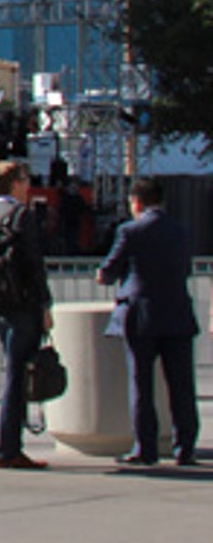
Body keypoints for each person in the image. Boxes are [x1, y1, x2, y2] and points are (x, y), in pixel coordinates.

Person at [95, 178, 201, 466]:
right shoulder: (181, 231)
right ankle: (185, 448)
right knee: (181, 385)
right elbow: (185, 269)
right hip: (177, 312)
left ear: (137, 202)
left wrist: (103, 275)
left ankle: (146, 448)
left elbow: (110, 270)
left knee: (141, 383)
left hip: (141, 314)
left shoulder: (130, 231)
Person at [0, 159, 54, 470]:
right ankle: (9, 448)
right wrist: (45, 305)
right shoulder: (21, 216)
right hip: (22, 305)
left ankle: (9, 446)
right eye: (25, 179)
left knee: (14, 370)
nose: (29, 185)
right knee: (17, 375)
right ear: (15, 184)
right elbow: (33, 264)